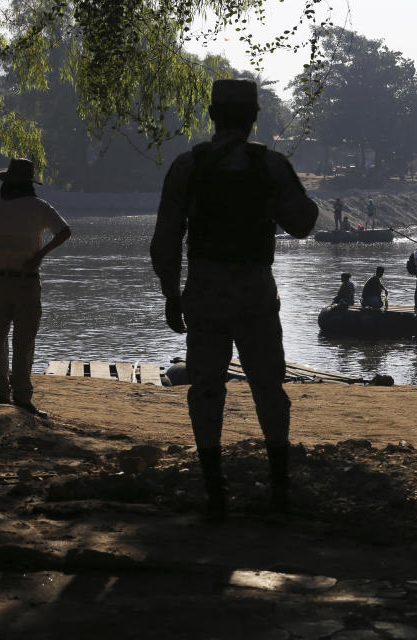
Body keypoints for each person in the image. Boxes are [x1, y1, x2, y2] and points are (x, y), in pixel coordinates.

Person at [150, 78, 318, 520]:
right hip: (256, 293)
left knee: (206, 388)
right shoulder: (271, 166)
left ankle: (215, 495)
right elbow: (303, 224)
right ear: (253, 118)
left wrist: (171, 295)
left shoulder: (189, 166)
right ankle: (279, 494)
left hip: (203, 292)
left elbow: (164, 241)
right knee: (268, 387)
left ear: (212, 115)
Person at [0, 158, 71, 418]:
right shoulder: (39, 207)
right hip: (27, 283)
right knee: (24, 343)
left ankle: (0, 394)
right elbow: (64, 232)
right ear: (29, 184)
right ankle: (23, 399)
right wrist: (40, 255)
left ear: (5, 183)